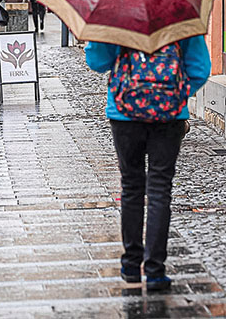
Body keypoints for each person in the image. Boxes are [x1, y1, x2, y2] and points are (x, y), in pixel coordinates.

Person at [85, 35, 210, 291]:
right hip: (169, 114)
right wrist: (175, 96)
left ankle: (131, 265)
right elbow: (200, 69)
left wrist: (95, 38)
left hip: (125, 113)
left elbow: (97, 61)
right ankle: (155, 270)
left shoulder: (117, 16)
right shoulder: (180, 16)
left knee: (131, 187)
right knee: (159, 190)